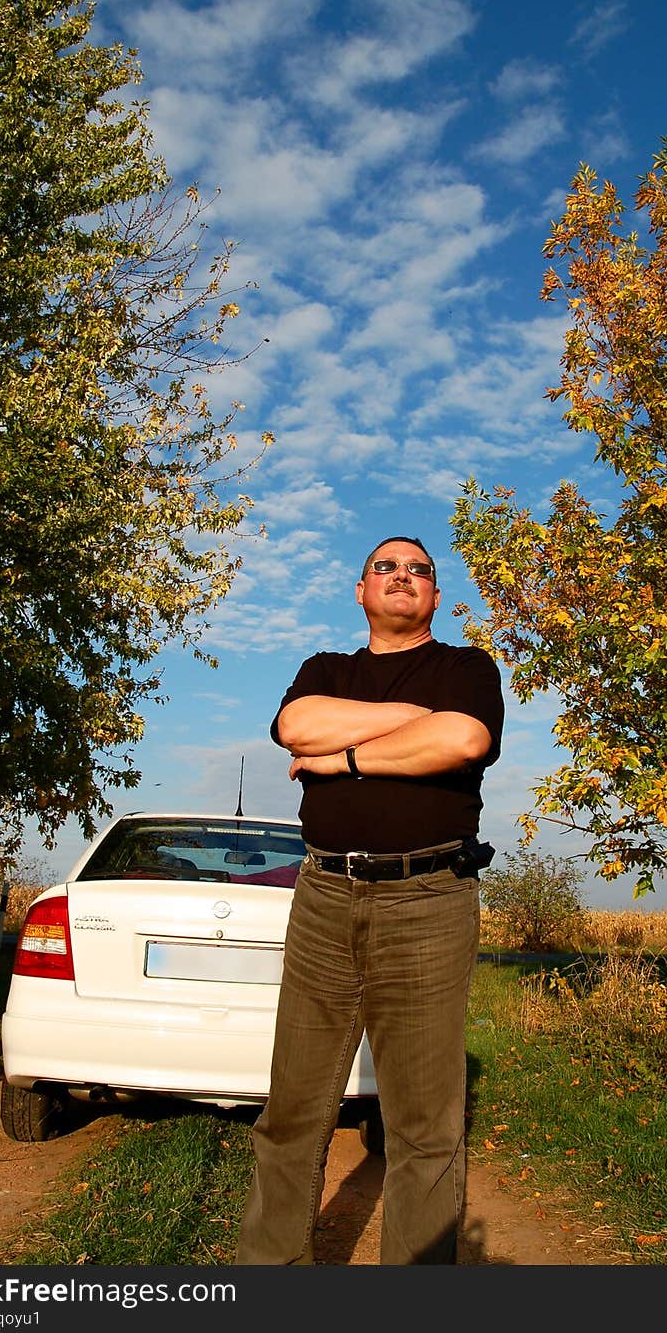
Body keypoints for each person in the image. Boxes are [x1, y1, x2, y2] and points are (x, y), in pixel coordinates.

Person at [235, 535, 505, 1265]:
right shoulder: (325, 668)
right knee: (293, 1110)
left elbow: (462, 737)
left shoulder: (466, 666)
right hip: (323, 897)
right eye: (385, 567)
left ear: (436, 598)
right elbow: (296, 726)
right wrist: (411, 718)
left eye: (419, 570)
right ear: (360, 590)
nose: (401, 577)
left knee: (422, 1127)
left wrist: (342, 757)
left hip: (428, 901)